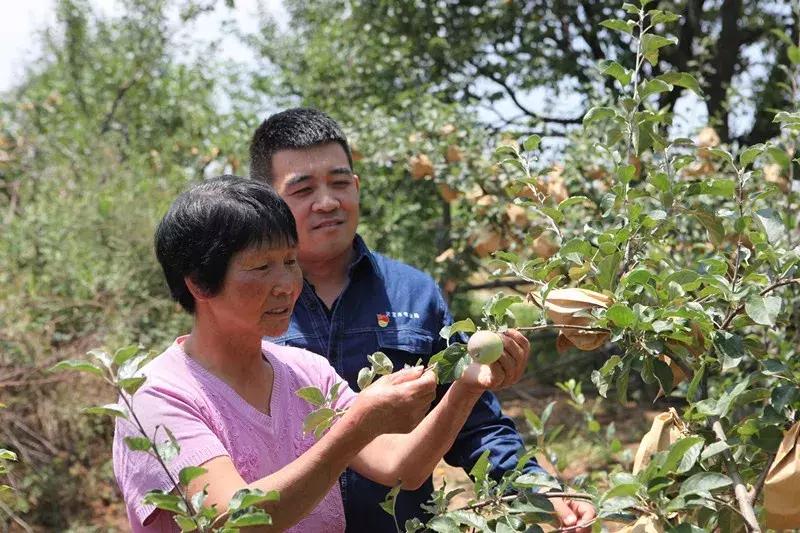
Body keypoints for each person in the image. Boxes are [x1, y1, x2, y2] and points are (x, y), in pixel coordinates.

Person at [112, 176, 531, 532]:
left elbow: (401, 467)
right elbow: (233, 518)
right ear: (199, 284)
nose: (286, 284)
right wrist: (355, 428)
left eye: (290, 262)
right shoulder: (156, 395)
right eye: (261, 268)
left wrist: (466, 387)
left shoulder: (305, 372)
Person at [249, 108, 596, 531]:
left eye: (340, 183)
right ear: (266, 203)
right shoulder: (246, 304)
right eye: (302, 189)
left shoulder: (413, 293)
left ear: (356, 188)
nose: (327, 202)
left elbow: (475, 425)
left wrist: (533, 485)